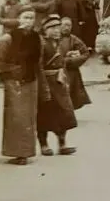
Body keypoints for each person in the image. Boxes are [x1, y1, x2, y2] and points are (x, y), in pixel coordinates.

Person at [0, 8, 45, 165]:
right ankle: (16, 152)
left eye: (31, 18)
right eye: (26, 17)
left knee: (28, 119)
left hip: (31, 81)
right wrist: (9, 73)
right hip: (14, 82)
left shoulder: (37, 38)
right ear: (19, 19)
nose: (29, 21)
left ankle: (25, 152)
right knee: (16, 117)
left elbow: (39, 60)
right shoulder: (8, 38)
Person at [36, 15, 78, 156]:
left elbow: (61, 62)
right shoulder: (41, 44)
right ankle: (44, 145)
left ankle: (62, 144)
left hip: (59, 82)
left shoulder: (58, 43)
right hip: (47, 82)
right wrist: (43, 87)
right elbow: (39, 67)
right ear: (45, 30)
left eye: (57, 28)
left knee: (64, 113)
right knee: (44, 114)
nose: (56, 31)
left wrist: (65, 77)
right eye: (52, 28)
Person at [57, 17, 91, 110]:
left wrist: (71, 61)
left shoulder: (74, 39)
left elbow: (85, 53)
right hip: (57, 71)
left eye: (69, 25)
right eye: (64, 25)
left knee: (70, 96)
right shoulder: (55, 38)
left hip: (71, 73)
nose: (66, 27)